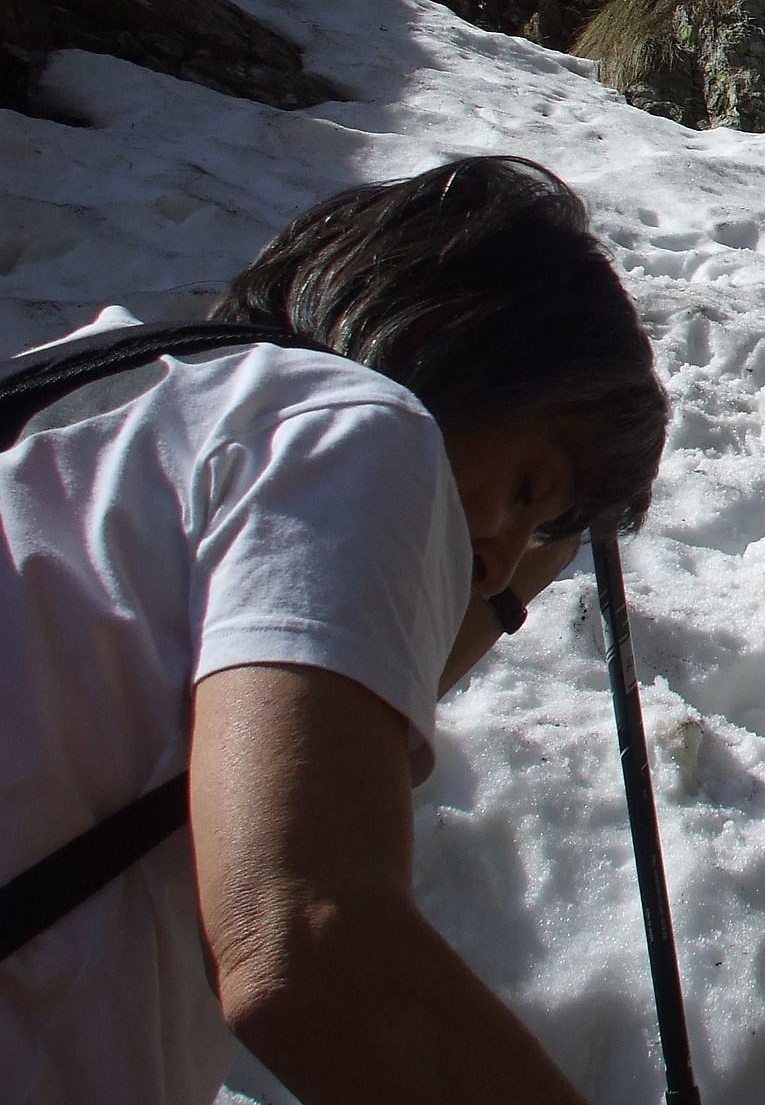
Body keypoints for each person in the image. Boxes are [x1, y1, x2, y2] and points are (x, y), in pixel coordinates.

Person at [1, 156, 667, 1105]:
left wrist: (524, 556)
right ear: (449, 335)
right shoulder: (358, 425)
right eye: (528, 486)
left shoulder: (104, 392)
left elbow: (341, 712)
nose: (497, 563)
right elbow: (309, 939)